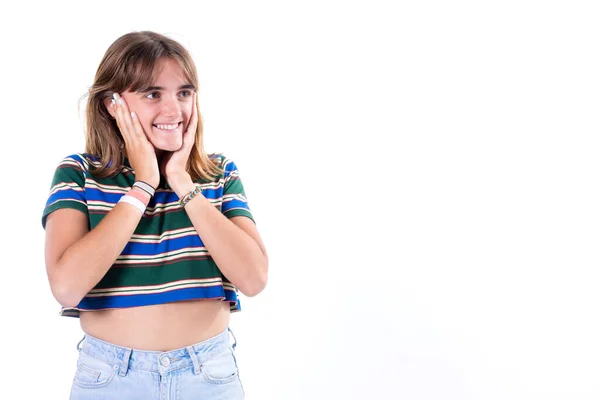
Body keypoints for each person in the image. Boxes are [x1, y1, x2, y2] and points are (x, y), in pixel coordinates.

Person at [41, 31, 268, 399]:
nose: (173, 110)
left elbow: (254, 279)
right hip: (111, 379)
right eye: (152, 94)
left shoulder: (219, 174)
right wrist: (143, 185)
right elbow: (66, 288)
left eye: (184, 92)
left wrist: (181, 181)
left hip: (207, 376)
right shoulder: (79, 175)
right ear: (111, 104)